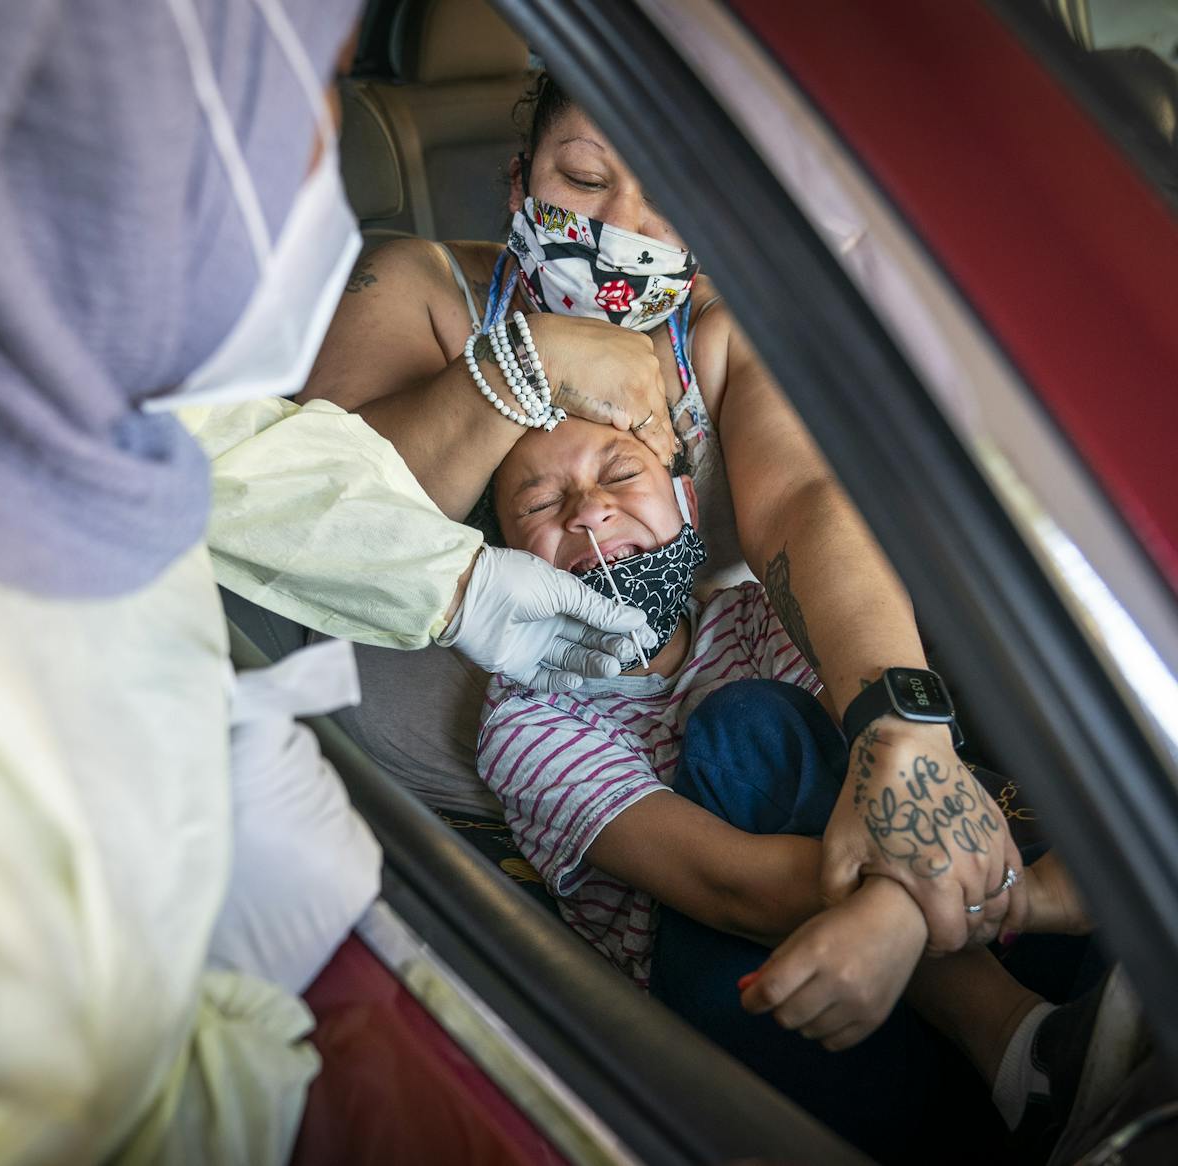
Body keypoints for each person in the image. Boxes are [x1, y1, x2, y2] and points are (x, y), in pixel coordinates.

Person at [0, 4, 650, 1161]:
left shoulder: (33, 391)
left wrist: (462, 581)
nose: (326, 148)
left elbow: (236, 452)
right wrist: (247, 1029)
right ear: (120, 143)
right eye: (305, 89)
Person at [299, 72, 1028, 956]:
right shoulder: (414, 288)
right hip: (468, 808)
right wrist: (528, 364)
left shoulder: (719, 331)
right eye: (587, 179)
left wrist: (898, 727)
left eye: (671, 198)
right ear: (522, 176)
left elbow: (802, 500)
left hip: (733, 750)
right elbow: (328, 512)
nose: (622, 229)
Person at [475, 414, 1135, 1162]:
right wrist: (1022, 895)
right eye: (539, 504)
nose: (588, 510)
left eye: (621, 474)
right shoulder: (525, 720)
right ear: (504, 563)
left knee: (1121, 891)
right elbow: (731, 889)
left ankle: (1044, 1062)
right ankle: (1021, 1041)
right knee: (745, 727)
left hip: (909, 927)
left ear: (687, 502)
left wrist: (907, 915)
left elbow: (884, 792)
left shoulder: (759, 612)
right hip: (763, 982)